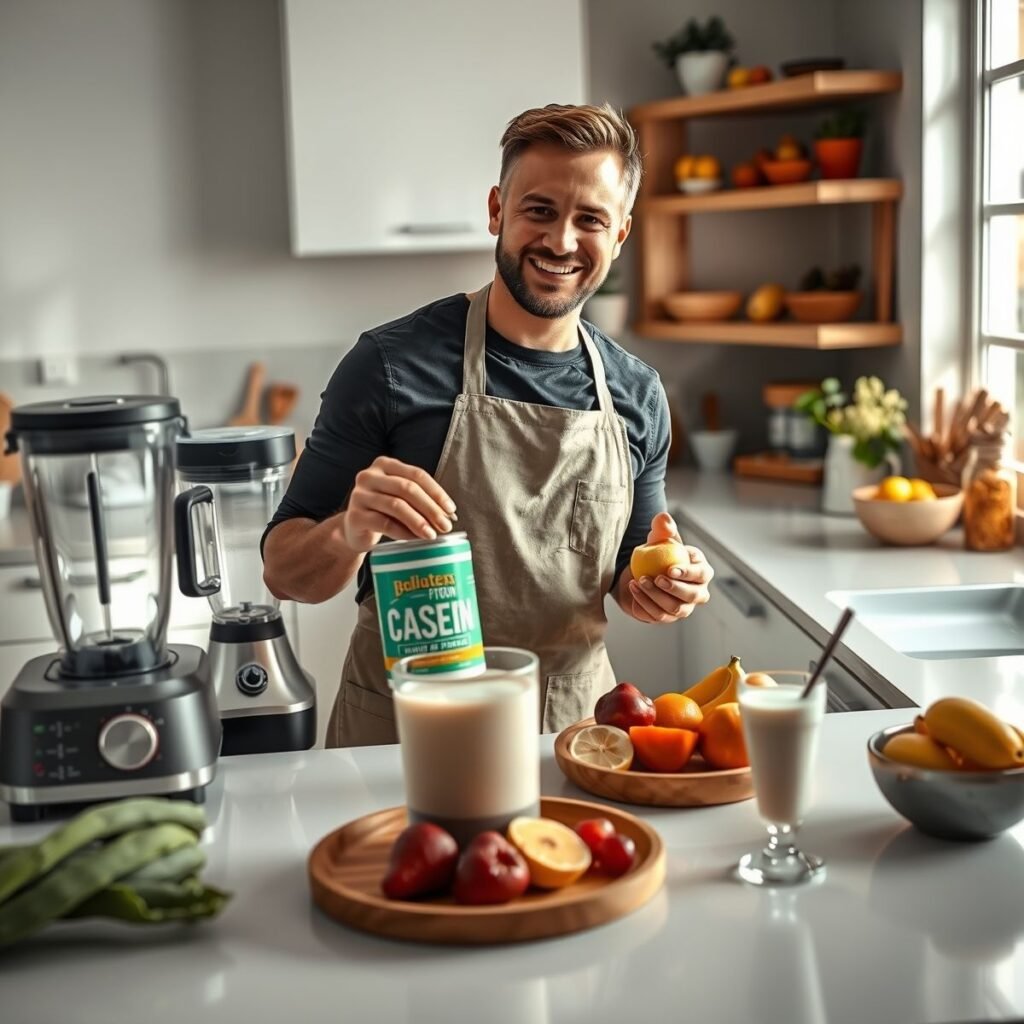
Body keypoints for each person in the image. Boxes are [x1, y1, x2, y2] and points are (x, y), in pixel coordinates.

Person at [262, 102, 714, 747]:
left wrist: (663, 587)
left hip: (569, 735)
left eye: (590, 219)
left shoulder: (637, 394)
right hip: (405, 731)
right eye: (539, 210)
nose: (560, 241)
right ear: (498, 210)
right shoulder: (390, 366)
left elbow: (629, 580)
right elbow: (285, 573)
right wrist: (349, 530)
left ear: (619, 235)